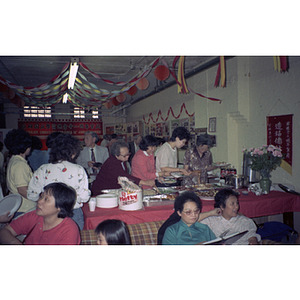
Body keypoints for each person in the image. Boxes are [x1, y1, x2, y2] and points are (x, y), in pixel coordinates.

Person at [27, 133, 90, 230]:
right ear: (72, 152)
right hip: (73, 213)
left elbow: (31, 194)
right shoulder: (78, 169)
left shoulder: (43, 169)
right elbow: (84, 197)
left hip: (49, 214)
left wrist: (48, 201)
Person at [0, 182, 81, 245]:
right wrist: (15, 243)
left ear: (59, 206)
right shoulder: (34, 216)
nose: (39, 201)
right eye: (41, 196)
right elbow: (4, 231)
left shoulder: (69, 230)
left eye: (46, 199)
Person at [91, 140, 155, 196]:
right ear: (116, 155)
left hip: (113, 190)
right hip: (101, 192)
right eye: (125, 155)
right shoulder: (112, 163)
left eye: (128, 154)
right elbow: (124, 176)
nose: (127, 157)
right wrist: (144, 182)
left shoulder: (122, 160)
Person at [4, 129, 35, 217]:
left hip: (19, 206)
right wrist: (40, 199)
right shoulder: (20, 165)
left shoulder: (14, 160)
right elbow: (22, 190)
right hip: (25, 208)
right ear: (26, 146)